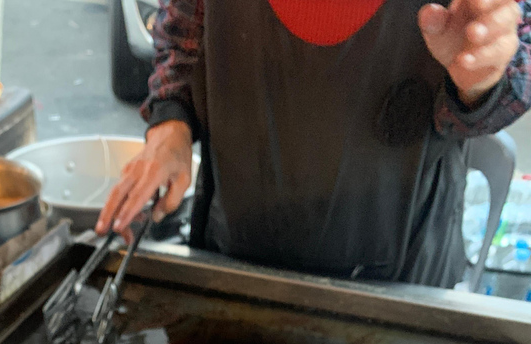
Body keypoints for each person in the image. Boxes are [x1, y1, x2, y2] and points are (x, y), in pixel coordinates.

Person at [96, 0, 531, 287]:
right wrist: (172, 123)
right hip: (234, 258)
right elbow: (183, 28)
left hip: (397, 281)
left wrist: (478, 81)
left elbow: (513, 76)